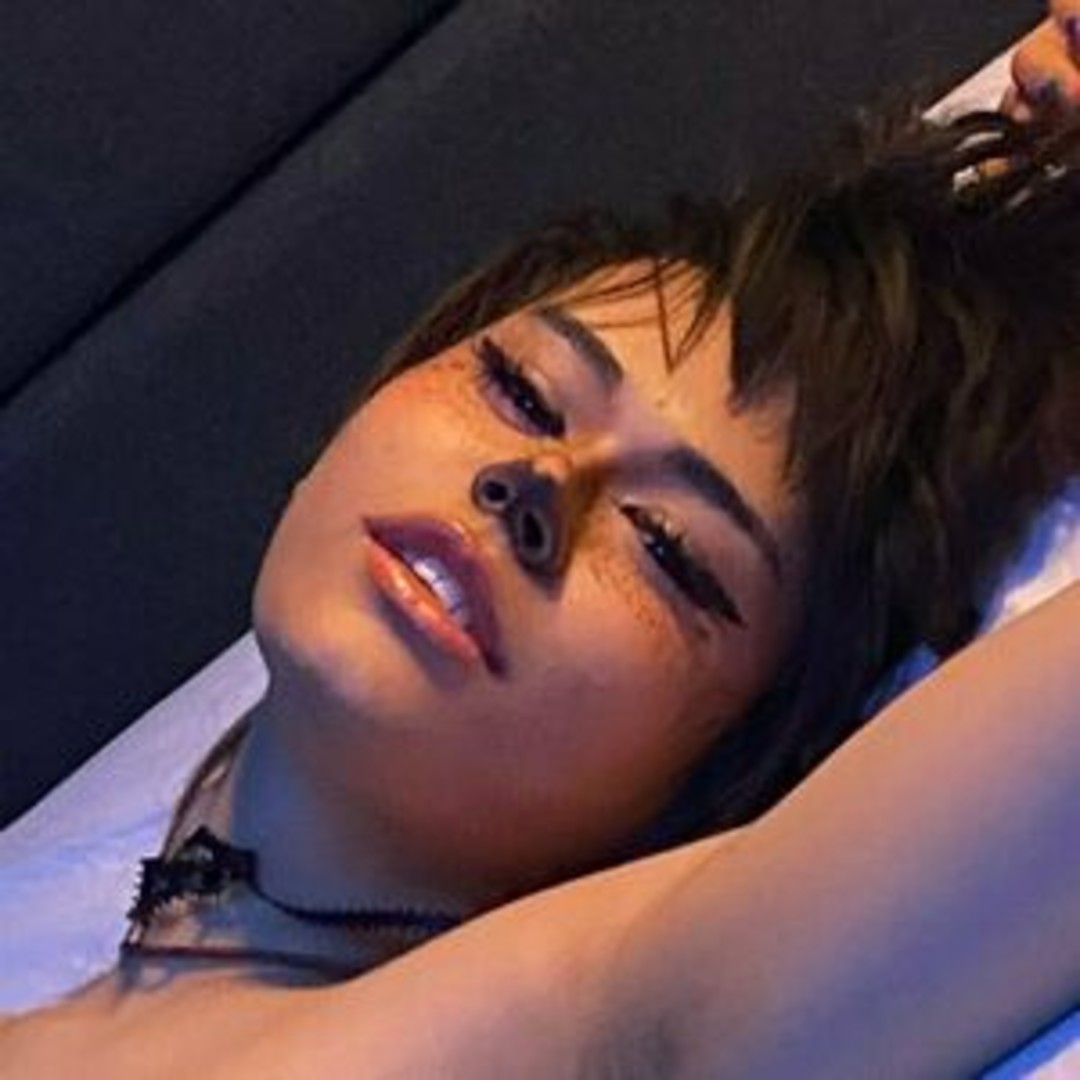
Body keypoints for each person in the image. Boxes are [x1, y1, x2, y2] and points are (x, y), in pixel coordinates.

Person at [3, 21, 1080, 1074]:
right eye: (520, 391)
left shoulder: (571, 1022)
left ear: (724, 776)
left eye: (667, 550)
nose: (538, 481)